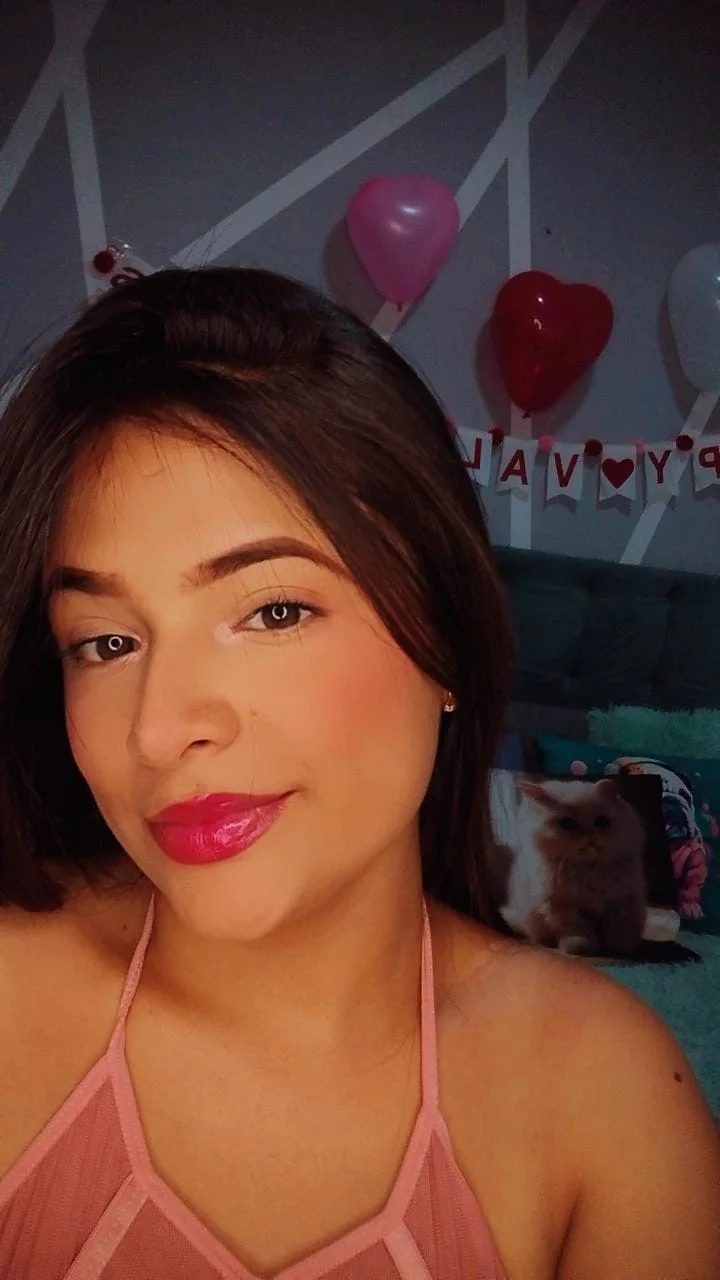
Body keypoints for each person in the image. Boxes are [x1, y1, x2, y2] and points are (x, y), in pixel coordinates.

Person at [0, 268, 717, 1280]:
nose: (159, 729)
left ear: (446, 639)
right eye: (106, 641)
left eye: (273, 611)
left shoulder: (609, 1101)